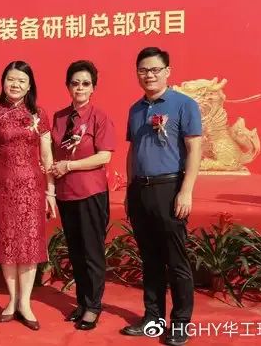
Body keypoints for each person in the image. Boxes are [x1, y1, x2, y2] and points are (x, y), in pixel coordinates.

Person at [121, 47, 201, 346]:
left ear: (168, 71)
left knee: (175, 261)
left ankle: (180, 322)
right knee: (150, 259)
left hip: (169, 189)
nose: (149, 75)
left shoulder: (184, 105)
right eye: (143, 70)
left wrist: (186, 191)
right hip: (140, 190)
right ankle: (153, 317)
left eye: (155, 69)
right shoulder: (135, 109)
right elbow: (133, 151)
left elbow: (194, 149)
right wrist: (129, 189)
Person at [0, 61, 56, 331]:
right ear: (3, 82)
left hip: (32, 187)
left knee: (30, 243)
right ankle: (11, 300)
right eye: (11, 79)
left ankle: (25, 302)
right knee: (7, 242)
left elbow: (47, 155)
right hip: (1, 186)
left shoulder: (38, 114)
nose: (15, 85)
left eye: (22, 80)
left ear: (29, 85)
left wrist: (50, 190)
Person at [49, 60, 115, 331]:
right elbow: (52, 152)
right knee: (76, 251)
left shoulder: (99, 116)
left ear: (93, 88)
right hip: (66, 194)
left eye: (85, 83)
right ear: (68, 86)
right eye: (75, 83)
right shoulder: (59, 117)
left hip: (90, 192)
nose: (80, 88)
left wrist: (70, 166)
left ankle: (93, 306)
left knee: (91, 252)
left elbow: (104, 156)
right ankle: (82, 302)